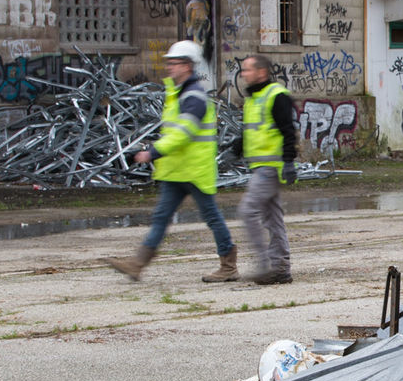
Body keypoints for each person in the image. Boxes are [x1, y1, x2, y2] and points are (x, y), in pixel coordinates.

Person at [106, 41, 239, 283]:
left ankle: (228, 266)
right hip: (176, 170)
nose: (169, 67)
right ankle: (137, 264)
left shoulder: (194, 97)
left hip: (194, 170)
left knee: (211, 217)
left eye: (174, 63)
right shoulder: (178, 94)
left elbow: (182, 134)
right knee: (161, 217)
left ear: (187, 66)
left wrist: (152, 152)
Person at [234, 55, 297, 284]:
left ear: (261, 72)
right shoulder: (255, 98)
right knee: (273, 218)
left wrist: (289, 161)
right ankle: (280, 268)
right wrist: (239, 145)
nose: (243, 74)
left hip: (271, 167)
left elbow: (287, 131)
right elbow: (255, 129)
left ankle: (265, 265)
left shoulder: (276, 96)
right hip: (262, 166)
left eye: (247, 70)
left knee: (248, 211)